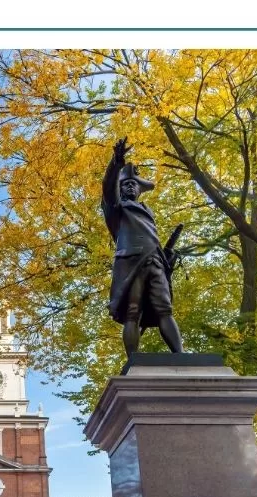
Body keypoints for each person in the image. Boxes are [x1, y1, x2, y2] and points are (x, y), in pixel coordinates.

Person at [101, 137, 184, 356]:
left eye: (133, 184)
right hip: (130, 262)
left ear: (139, 190)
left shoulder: (148, 211)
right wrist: (117, 162)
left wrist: (167, 256)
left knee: (165, 308)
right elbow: (108, 189)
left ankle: (180, 354)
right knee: (133, 311)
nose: (129, 186)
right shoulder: (116, 209)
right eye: (125, 184)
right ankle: (133, 359)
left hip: (155, 261)